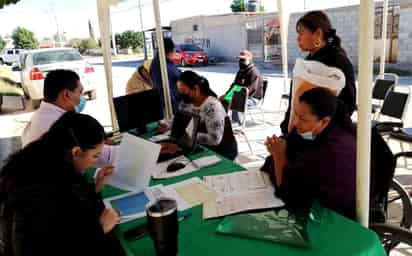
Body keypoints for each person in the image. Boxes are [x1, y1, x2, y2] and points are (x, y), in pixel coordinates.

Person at [0, 112, 123, 256]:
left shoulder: (42, 157)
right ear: (76, 152)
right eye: (95, 155)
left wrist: (94, 188)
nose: (95, 162)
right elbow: (53, 245)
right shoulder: (40, 190)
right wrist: (100, 228)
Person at [262, 87, 356, 220]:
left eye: (303, 119)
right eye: (296, 115)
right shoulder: (323, 127)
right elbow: (292, 141)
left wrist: (278, 155)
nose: (296, 123)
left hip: (331, 219)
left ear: (324, 121)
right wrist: (279, 146)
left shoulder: (331, 152)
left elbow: (290, 195)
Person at [280, 10, 356, 135]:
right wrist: (287, 127)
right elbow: (296, 98)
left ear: (318, 34)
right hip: (301, 130)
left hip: (324, 135)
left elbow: (348, 105)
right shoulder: (310, 60)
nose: (298, 38)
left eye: (301, 33)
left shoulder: (337, 60)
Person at [21, 69, 116, 167]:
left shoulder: (39, 116)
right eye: (80, 92)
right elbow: (105, 156)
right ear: (66, 95)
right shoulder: (60, 124)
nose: (81, 98)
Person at [169, 71, 238, 160]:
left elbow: (214, 139)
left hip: (221, 151)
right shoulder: (186, 103)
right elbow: (179, 119)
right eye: (180, 91)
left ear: (196, 89)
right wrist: (170, 126)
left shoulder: (212, 107)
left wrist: (188, 136)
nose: (181, 95)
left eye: (184, 91)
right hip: (200, 146)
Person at [219, 50, 264, 124]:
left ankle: (236, 124)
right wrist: (226, 95)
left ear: (249, 59)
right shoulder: (241, 71)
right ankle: (223, 121)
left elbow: (250, 91)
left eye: (243, 59)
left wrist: (233, 98)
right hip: (240, 95)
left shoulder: (254, 73)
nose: (240, 61)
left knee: (236, 101)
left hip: (252, 98)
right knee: (222, 100)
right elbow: (234, 85)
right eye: (240, 59)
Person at [150, 38, 181, 113]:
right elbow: (164, 91)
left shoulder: (167, 62)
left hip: (175, 101)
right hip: (169, 107)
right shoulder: (159, 66)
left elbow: (175, 73)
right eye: (173, 50)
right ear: (168, 51)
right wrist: (175, 109)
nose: (174, 52)